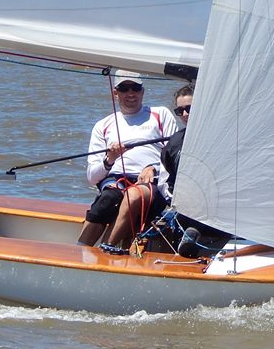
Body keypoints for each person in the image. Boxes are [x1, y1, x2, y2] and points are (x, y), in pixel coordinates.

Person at [76, 70, 179, 247]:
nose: (131, 93)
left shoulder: (161, 114)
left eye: (135, 88)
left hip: (151, 182)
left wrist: (154, 168)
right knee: (109, 198)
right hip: (116, 179)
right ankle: (79, 250)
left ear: (142, 91)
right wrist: (110, 159)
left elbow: (174, 156)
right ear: (115, 93)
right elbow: (92, 177)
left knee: (133, 195)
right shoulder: (103, 126)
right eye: (124, 88)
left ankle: (105, 250)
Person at [160, 84, 192, 193]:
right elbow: (166, 179)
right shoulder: (174, 142)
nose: (185, 114)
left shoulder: (221, 136)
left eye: (189, 108)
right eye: (180, 111)